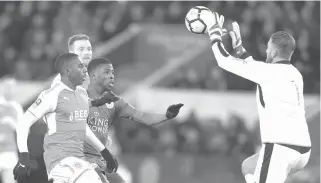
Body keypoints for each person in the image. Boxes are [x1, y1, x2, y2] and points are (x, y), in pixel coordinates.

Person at [203, 12, 311, 183]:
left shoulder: (267, 72)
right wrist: (239, 48)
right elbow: (256, 69)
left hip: (280, 147)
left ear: (274, 51)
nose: (266, 50)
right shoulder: (295, 74)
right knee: (248, 167)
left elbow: (223, 61)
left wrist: (213, 31)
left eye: (268, 47)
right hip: (303, 151)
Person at [13, 53, 118, 183]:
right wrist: (24, 156)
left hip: (79, 160)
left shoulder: (81, 94)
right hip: (60, 160)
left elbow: (82, 128)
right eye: (80, 67)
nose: (85, 70)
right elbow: (23, 123)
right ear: (68, 72)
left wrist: (105, 152)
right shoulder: (52, 95)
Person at [84, 57, 184, 183]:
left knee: (125, 176)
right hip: (83, 159)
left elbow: (141, 117)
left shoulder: (115, 103)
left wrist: (166, 116)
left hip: (107, 158)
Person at [0, 78, 23, 183]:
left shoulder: (17, 108)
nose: (10, 90)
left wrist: (14, 125)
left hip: (8, 151)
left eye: (13, 87)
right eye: (7, 87)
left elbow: (25, 131)